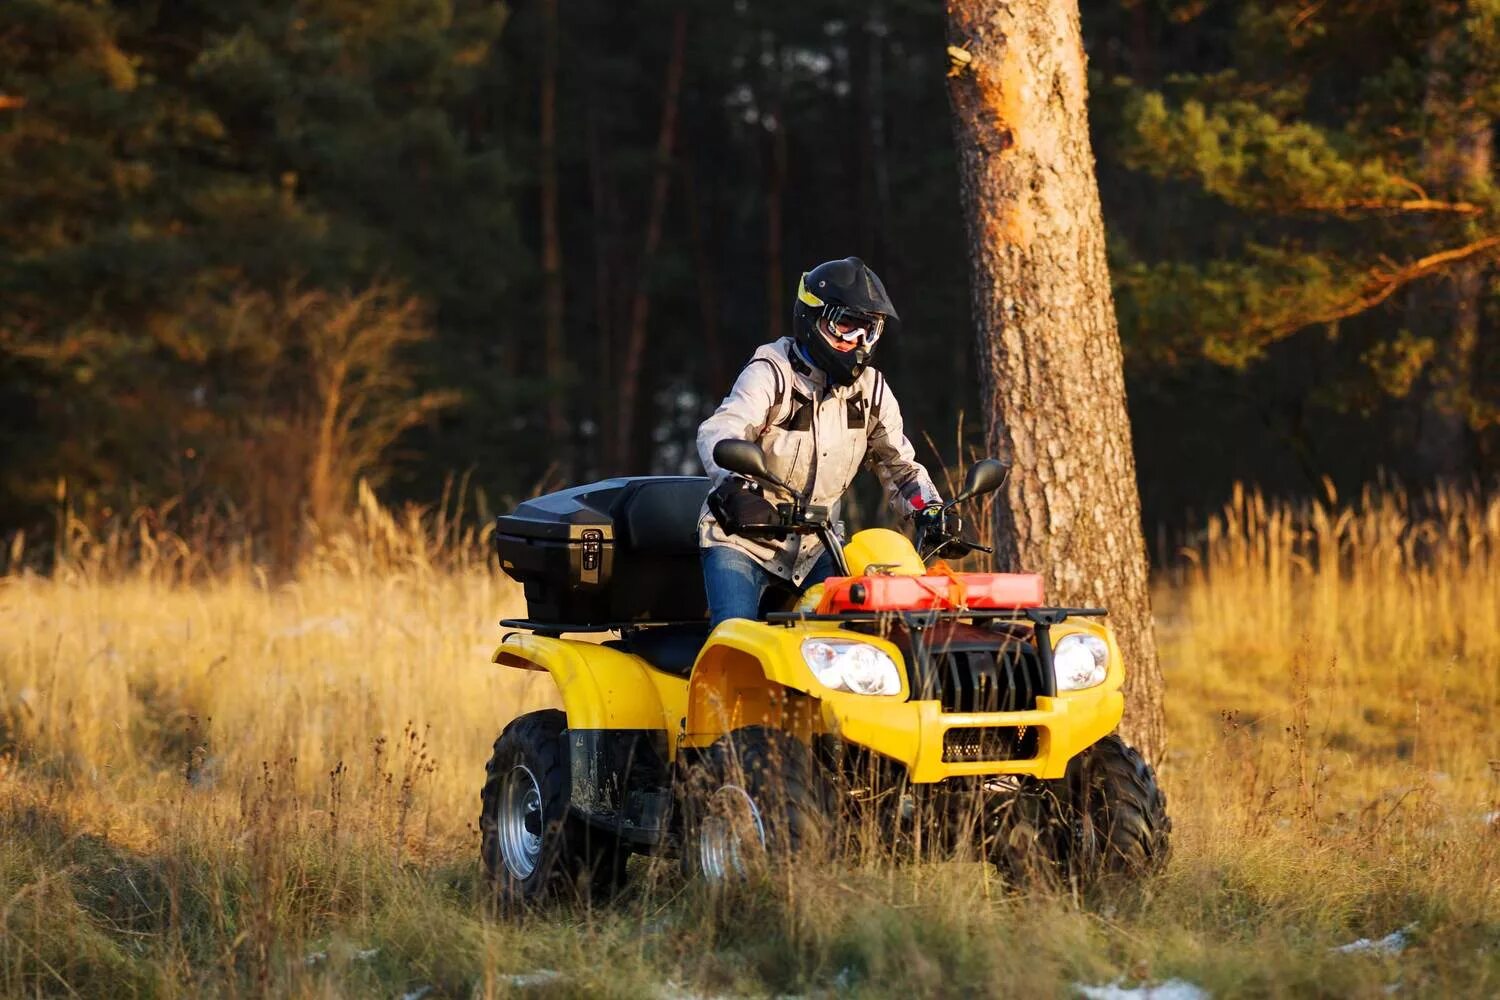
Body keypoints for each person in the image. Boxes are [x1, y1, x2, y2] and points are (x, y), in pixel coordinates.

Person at [696, 256, 959, 628]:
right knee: (734, 637)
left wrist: (931, 510)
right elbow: (721, 431)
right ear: (811, 317)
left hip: (816, 546)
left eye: (868, 330)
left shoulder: (872, 390)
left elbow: (899, 467)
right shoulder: (772, 371)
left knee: (853, 635)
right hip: (744, 541)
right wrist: (738, 490)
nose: (857, 342)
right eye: (845, 325)